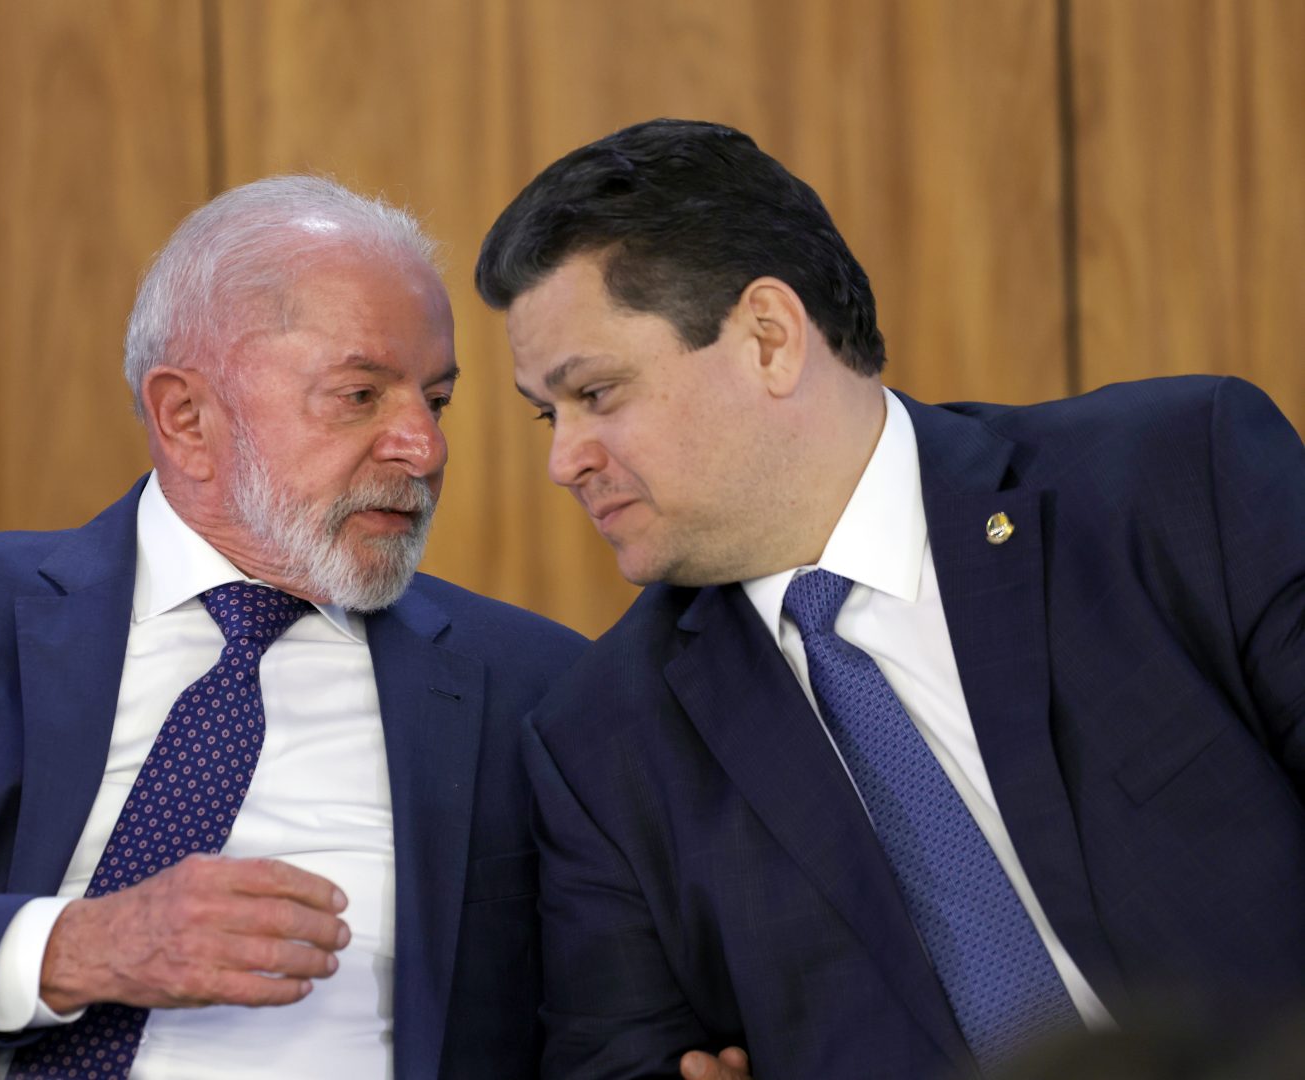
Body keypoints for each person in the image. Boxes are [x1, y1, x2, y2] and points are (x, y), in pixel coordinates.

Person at [0, 176, 586, 1079]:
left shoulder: (537, 687)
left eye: (436, 401)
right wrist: (84, 947)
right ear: (185, 417)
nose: (424, 449)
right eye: (360, 395)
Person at [473, 118, 1305, 1080]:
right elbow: (617, 1058)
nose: (564, 460)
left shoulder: (1173, 481)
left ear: (769, 339)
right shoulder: (601, 738)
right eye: (547, 414)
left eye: (597, 394)